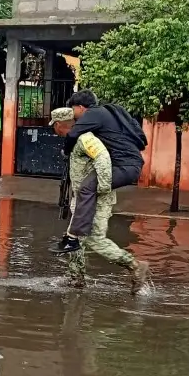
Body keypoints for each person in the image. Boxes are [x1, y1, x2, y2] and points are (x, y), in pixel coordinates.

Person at [49, 107, 150, 294]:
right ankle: (76, 278)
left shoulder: (85, 138)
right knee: (75, 238)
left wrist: (102, 188)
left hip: (95, 199)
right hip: (85, 199)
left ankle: (135, 265)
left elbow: (103, 158)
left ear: (58, 124)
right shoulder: (78, 139)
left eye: (54, 126)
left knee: (95, 239)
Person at [53, 89, 147, 255]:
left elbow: (72, 135)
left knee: (86, 188)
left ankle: (73, 238)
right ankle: (75, 239)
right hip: (128, 164)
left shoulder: (94, 114)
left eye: (73, 109)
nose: (73, 115)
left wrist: (66, 152)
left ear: (81, 107)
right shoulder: (105, 113)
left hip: (125, 166)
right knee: (87, 188)